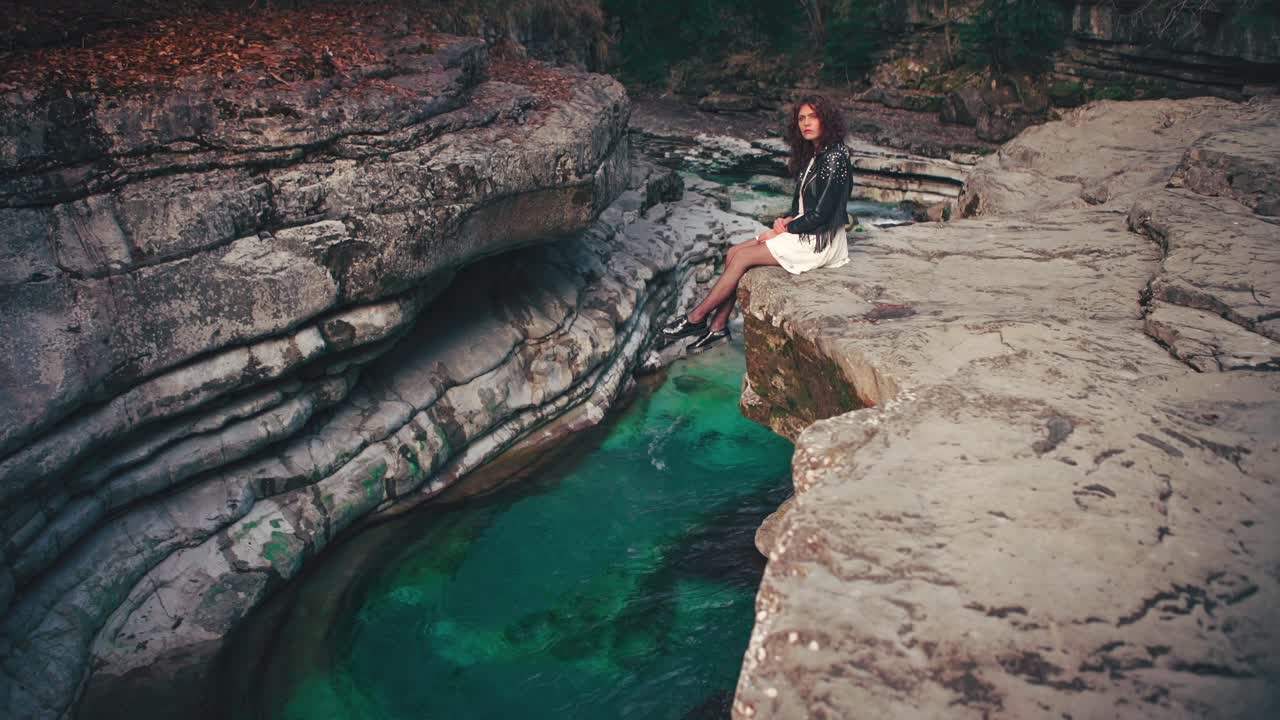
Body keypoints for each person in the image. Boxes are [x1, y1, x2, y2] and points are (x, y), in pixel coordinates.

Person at [659, 94, 852, 351]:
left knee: (742, 259)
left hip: (820, 239)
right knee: (733, 252)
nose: (806, 123)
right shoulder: (816, 153)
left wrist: (783, 231)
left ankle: (695, 318)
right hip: (805, 228)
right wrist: (787, 219)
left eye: (813, 117)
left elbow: (822, 215)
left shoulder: (835, 156)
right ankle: (718, 327)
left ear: (826, 119)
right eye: (801, 118)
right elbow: (805, 205)